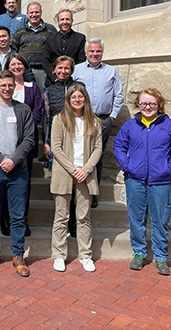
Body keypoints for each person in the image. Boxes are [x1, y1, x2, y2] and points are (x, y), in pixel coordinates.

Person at [114, 89, 171, 276]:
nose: (147, 107)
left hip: (161, 182)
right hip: (135, 181)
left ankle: (161, 257)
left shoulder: (170, 126)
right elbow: (119, 146)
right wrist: (127, 165)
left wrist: (168, 168)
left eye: (152, 104)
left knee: (160, 221)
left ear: (159, 105)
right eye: (144, 103)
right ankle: (139, 253)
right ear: (137, 105)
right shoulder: (130, 126)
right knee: (136, 219)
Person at [0, 70, 35, 277]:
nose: (7, 88)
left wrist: (14, 160)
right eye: (3, 85)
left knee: (18, 216)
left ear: (15, 86)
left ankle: (18, 255)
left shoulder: (23, 110)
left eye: (10, 85)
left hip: (18, 171)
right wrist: (1, 159)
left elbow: (29, 139)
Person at [50, 84, 103, 273]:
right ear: (69, 99)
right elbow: (55, 147)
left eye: (80, 97)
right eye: (74, 97)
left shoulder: (94, 121)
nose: (77, 100)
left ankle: (85, 255)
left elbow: (98, 149)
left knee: (84, 217)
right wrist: (73, 169)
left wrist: (86, 169)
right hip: (65, 173)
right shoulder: (59, 119)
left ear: (85, 99)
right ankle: (59, 255)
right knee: (61, 217)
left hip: (86, 175)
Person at [0, 54, 42, 237]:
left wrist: (23, 133)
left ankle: (22, 220)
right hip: (3, 145)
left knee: (23, 185)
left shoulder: (32, 87)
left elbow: (37, 112)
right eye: (13, 64)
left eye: (20, 63)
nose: (17, 66)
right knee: (3, 185)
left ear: (25, 66)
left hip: (24, 146)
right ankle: (5, 220)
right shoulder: (0, 86)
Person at [73, 38, 124, 208]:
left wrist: (113, 116)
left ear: (102, 52)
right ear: (86, 53)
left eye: (98, 51)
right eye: (92, 51)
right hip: (81, 118)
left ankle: (93, 193)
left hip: (103, 120)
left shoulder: (111, 71)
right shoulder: (77, 70)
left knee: (97, 156)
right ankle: (78, 191)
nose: (95, 54)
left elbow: (119, 95)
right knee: (80, 153)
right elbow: (71, 93)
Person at [42, 56, 84, 238]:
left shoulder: (79, 88)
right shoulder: (49, 91)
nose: (63, 71)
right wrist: (46, 141)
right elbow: (46, 117)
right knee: (61, 185)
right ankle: (62, 221)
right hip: (57, 140)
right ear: (54, 70)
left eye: (67, 68)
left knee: (77, 185)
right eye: (60, 68)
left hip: (78, 140)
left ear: (71, 70)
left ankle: (74, 222)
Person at [11, 1, 56, 93]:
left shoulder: (50, 29)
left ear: (41, 13)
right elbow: (13, 50)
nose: (34, 15)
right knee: (26, 95)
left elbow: (56, 50)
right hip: (24, 71)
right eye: (31, 12)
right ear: (27, 14)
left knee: (41, 95)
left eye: (36, 12)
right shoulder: (20, 31)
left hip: (42, 71)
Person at [42, 9, 86, 86]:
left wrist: (70, 75)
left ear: (72, 21)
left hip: (72, 81)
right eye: (62, 19)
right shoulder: (50, 39)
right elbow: (45, 61)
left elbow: (81, 60)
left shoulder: (80, 38)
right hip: (53, 82)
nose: (65, 22)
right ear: (58, 21)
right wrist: (54, 77)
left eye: (67, 19)